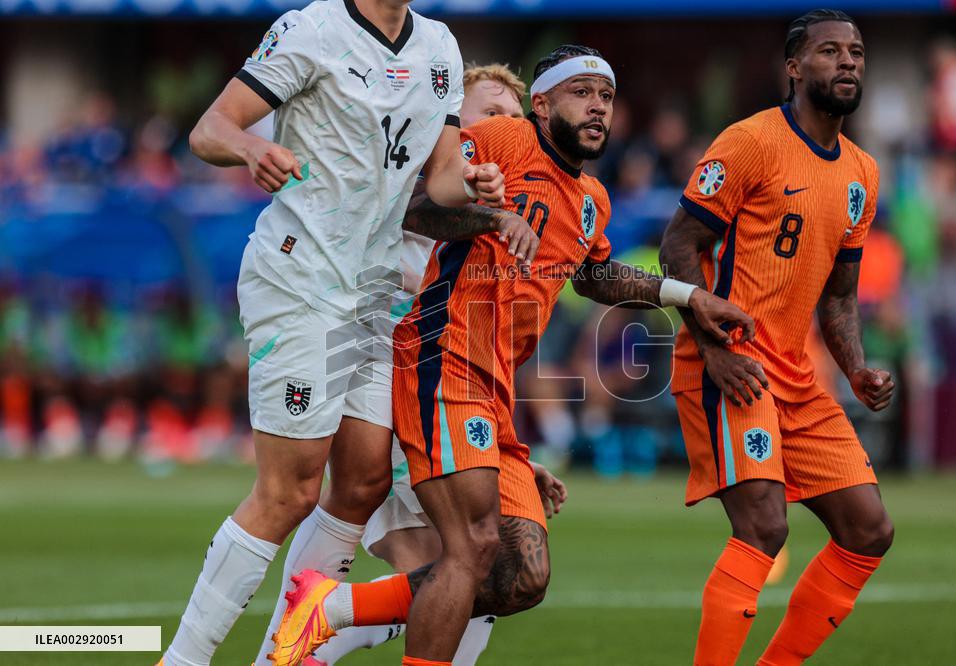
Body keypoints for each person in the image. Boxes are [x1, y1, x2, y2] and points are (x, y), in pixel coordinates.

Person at [267, 44, 754, 666]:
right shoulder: (504, 139)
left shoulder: (592, 200)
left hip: (494, 392)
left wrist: (686, 295)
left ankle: (330, 609)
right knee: (469, 550)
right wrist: (492, 217)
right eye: (582, 93)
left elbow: (593, 275)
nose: (598, 107)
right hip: (442, 359)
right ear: (542, 103)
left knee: (520, 576)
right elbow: (413, 208)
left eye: (605, 96)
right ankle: (315, 618)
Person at [156, 0, 507, 663]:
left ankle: (284, 656)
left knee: (364, 482)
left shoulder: (438, 46)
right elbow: (210, 129)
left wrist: (476, 181)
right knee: (289, 490)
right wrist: (252, 145)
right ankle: (182, 659)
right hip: (300, 276)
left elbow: (440, 177)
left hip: (371, 290)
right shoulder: (310, 29)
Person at [291, 63, 568, 666]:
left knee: (472, 575)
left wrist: (506, 453)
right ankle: (288, 642)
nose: (508, 132)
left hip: (442, 400)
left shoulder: (479, 219)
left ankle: (312, 631)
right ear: (449, 118)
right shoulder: (410, 197)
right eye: (492, 114)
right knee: (462, 556)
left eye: (516, 121)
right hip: (393, 384)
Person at [658, 10, 895, 665]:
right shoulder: (751, 141)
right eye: (829, 51)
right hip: (730, 361)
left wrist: (856, 369)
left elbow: (840, 296)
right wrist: (712, 351)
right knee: (763, 526)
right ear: (794, 67)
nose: (847, 62)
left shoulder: (862, 174)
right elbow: (679, 246)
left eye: (855, 52)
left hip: (795, 371)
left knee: (869, 530)